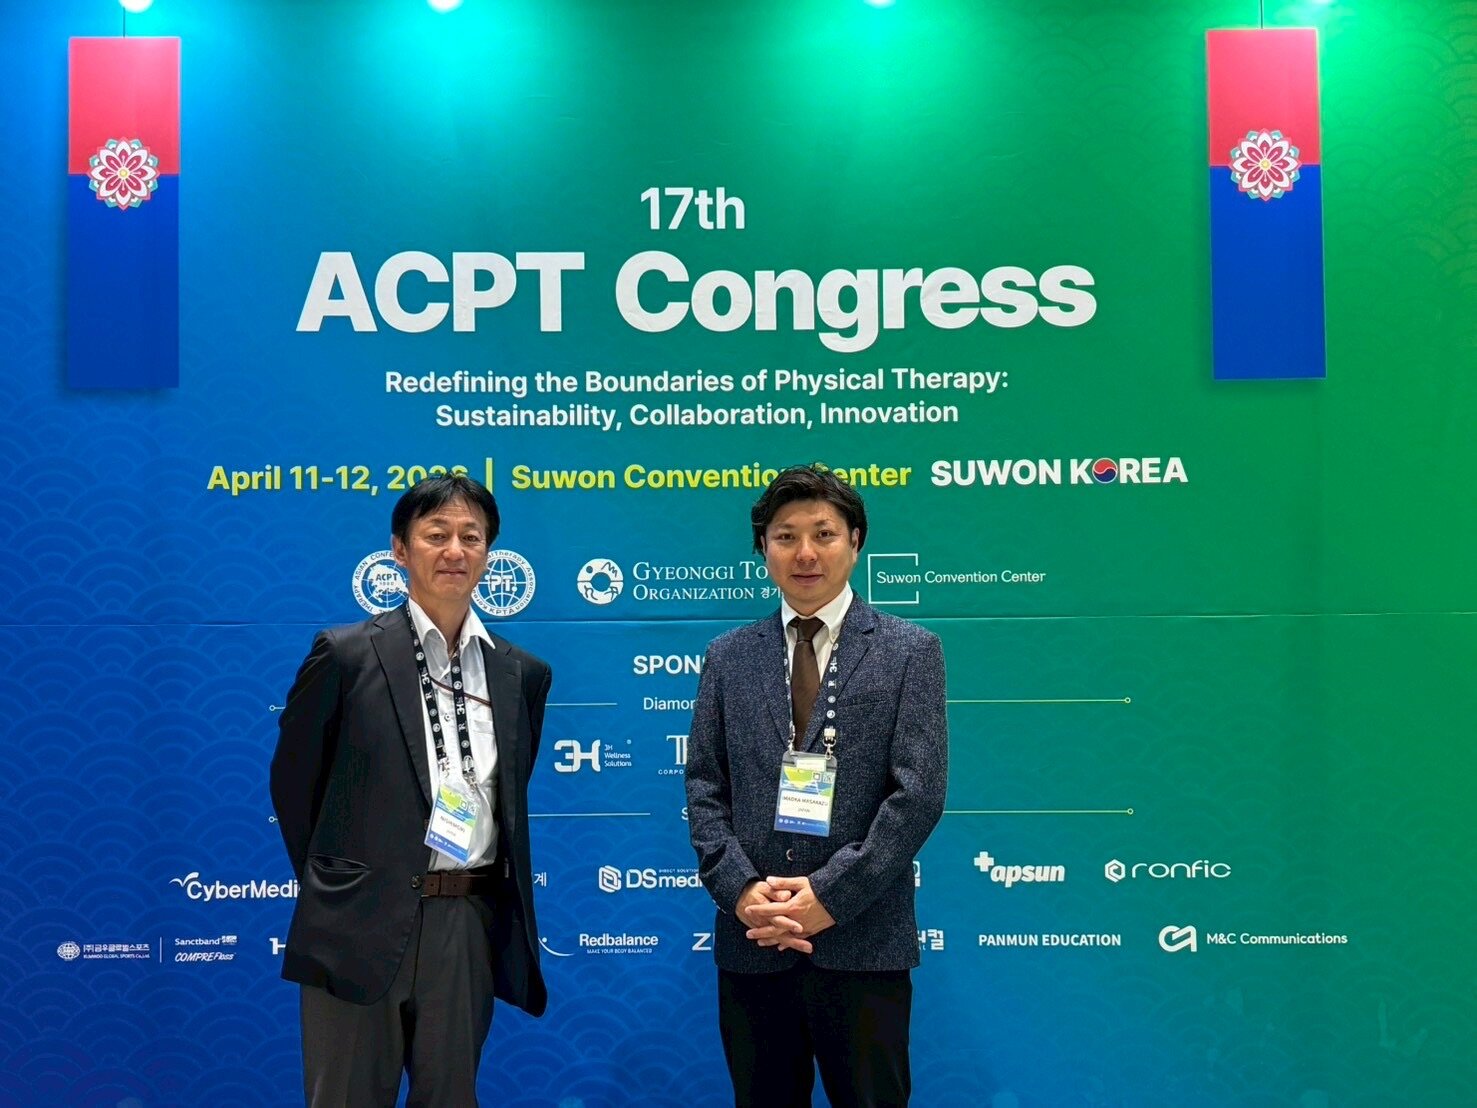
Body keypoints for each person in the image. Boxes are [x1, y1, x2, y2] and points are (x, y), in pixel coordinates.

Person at [270, 474, 551, 1107]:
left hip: (466, 922)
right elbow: (293, 786)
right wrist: (342, 885)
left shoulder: (521, 674)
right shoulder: (345, 656)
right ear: (400, 548)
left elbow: (507, 796)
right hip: (357, 921)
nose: (455, 550)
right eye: (436, 534)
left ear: (488, 553)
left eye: (471, 537)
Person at [685, 464, 949, 1108]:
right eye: (785, 536)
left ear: (855, 541)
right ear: (763, 549)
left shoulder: (909, 651)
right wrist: (743, 892)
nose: (805, 553)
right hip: (755, 941)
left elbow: (916, 795)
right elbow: (704, 786)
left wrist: (829, 896)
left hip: (864, 942)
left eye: (823, 533)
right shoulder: (728, 656)